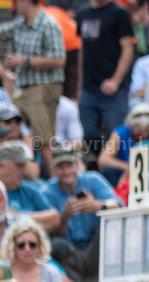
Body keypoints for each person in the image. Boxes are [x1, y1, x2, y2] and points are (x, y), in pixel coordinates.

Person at [44, 148, 122, 282]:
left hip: (96, 246)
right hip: (71, 251)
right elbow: (53, 233)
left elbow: (118, 205)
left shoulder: (92, 179)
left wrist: (98, 205)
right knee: (56, 245)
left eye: (69, 165)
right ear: (54, 169)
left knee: (112, 226)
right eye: (61, 167)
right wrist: (64, 216)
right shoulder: (47, 192)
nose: (66, 171)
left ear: (77, 164)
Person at [0, 0, 65, 176]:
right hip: (24, 90)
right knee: (7, 121)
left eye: (16, 1)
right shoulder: (20, 24)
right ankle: (18, 171)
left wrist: (25, 61)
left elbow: (60, 59)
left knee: (44, 140)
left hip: (44, 87)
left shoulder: (48, 24)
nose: (14, 5)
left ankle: (56, 179)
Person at [76, 0, 134, 153]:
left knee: (115, 137)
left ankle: (114, 172)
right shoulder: (82, 13)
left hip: (113, 91)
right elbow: (83, 50)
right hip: (89, 88)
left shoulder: (119, 13)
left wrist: (116, 80)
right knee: (89, 135)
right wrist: (79, 86)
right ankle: (97, 165)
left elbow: (128, 49)